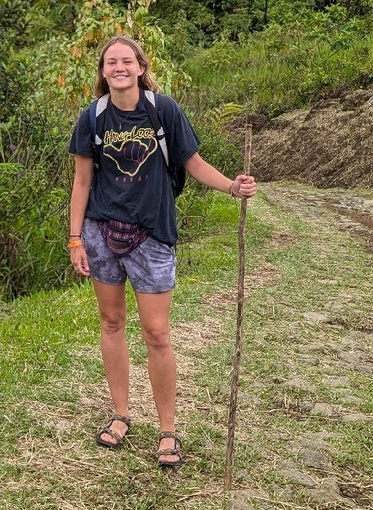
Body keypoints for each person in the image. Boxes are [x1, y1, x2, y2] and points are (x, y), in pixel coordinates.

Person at [67, 35, 257, 468]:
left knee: (156, 333)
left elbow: (192, 162)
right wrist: (76, 238)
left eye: (126, 60)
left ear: (139, 66)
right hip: (101, 233)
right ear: (103, 71)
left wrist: (232, 186)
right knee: (111, 322)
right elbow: (81, 183)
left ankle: (168, 430)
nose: (119, 67)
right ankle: (121, 415)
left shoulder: (163, 109)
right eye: (110, 62)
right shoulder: (92, 118)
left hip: (152, 236)